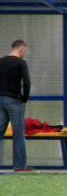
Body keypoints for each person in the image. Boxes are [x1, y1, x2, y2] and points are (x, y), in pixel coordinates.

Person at [0, 40, 32, 172]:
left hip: (0, 100)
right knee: (18, 134)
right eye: (24, 51)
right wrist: (24, 99)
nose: (24, 53)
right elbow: (27, 83)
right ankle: (19, 166)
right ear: (21, 49)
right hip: (14, 101)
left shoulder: (1, 61)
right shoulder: (20, 63)